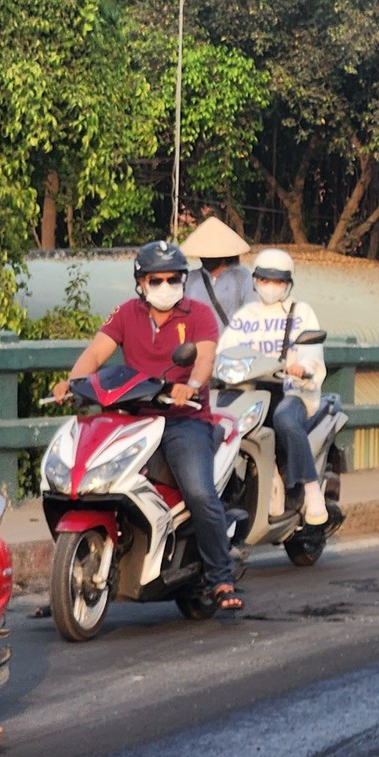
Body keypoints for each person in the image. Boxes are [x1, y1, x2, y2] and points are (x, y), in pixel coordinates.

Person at [53, 240, 241, 612]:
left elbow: (203, 359)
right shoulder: (125, 314)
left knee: (200, 493)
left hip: (183, 419)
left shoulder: (199, 314)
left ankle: (221, 577)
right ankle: (70, 575)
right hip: (131, 417)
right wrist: (72, 382)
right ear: (141, 282)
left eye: (174, 279)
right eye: (157, 280)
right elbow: (95, 354)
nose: (166, 286)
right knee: (76, 484)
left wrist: (192, 384)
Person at [223, 249, 329, 527]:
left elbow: (312, 353)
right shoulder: (246, 316)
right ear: (255, 280)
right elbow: (225, 350)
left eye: (278, 281)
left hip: (293, 391)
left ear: (288, 282)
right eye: (265, 280)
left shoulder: (301, 312)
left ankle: (310, 488)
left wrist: (302, 367)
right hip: (251, 392)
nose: (271, 287)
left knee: (284, 419)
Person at [180, 216, 256, 327]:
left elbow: (252, 312)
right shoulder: (190, 278)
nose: (206, 258)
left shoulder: (242, 277)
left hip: (232, 342)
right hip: (198, 342)